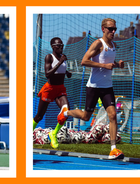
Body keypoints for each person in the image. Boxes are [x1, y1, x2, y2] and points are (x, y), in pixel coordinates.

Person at [57, 18, 125, 159]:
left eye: (115, 29)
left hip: (107, 87)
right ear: (103, 29)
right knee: (86, 117)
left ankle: (113, 149)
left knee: (112, 115)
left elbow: (108, 62)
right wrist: (104, 66)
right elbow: (84, 61)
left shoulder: (113, 45)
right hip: (93, 87)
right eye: (110, 29)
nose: (113, 31)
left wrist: (118, 65)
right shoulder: (98, 43)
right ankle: (66, 112)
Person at [33, 37, 72, 149]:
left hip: (60, 89)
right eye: (58, 45)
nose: (61, 47)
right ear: (53, 47)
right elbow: (47, 74)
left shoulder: (62, 58)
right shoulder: (49, 57)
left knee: (66, 112)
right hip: (49, 89)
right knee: (39, 116)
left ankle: (53, 133)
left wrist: (67, 73)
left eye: (62, 45)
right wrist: (60, 62)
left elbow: (61, 70)